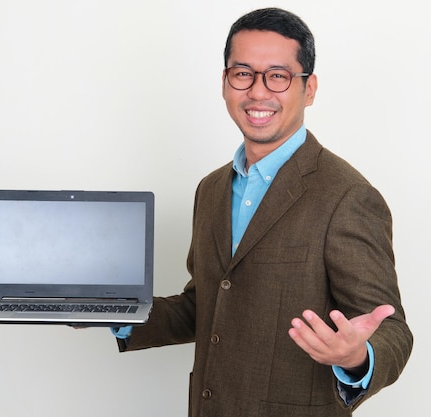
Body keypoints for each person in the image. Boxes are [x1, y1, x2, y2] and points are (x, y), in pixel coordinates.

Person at [111, 7, 413, 417]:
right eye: (243, 73)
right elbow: (205, 305)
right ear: (224, 83)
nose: (257, 91)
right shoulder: (212, 188)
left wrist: (357, 356)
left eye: (278, 75)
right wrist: (114, 309)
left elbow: (392, 331)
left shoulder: (348, 196)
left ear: (309, 89)